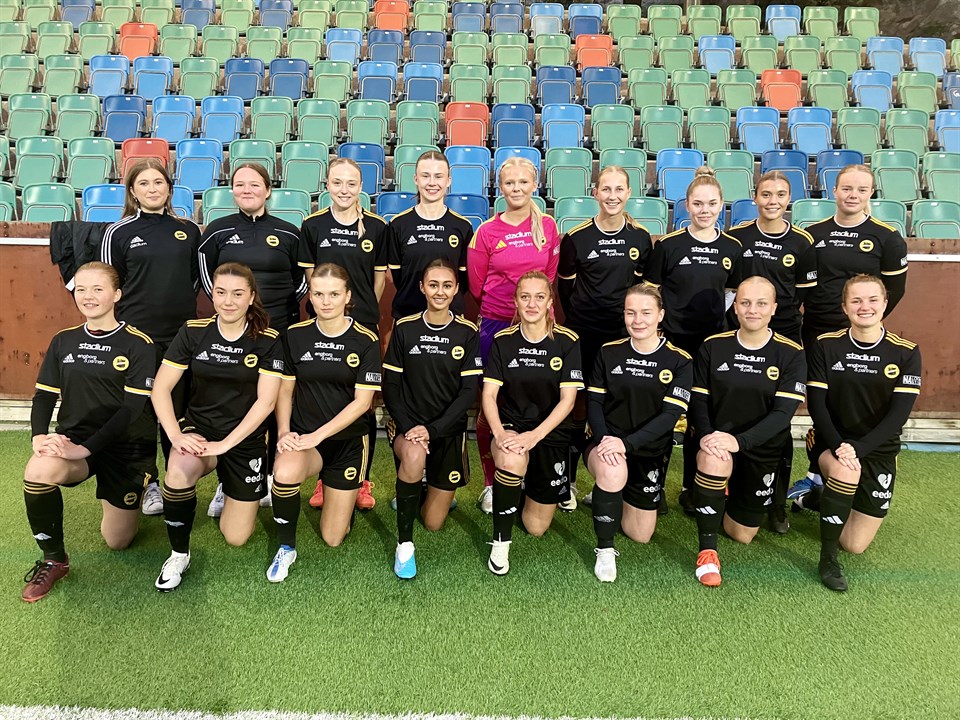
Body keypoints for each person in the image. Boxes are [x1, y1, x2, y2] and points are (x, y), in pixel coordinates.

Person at [22, 262, 156, 602]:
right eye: (81, 289)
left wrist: (85, 450)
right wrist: (39, 437)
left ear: (117, 294)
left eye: (97, 289)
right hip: (76, 441)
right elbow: (44, 395)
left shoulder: (138, 344)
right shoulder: (63, 340)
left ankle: (142, 483)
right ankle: (54, 560)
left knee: (117, 541)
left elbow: (131, 410)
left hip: (126, 448)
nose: (88, 296)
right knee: (38, 469)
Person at [152, 263, 285, 591]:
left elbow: (266, 402)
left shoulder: (267, 340)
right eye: (221, 292)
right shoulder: (193, 331)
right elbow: (161, 389)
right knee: (177, 471)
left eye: (238, 294)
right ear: (212, 295)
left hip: (245, 438)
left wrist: (225, 445)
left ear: (251, 297)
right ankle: (178, 555)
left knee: (236, 537)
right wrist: (175, 435)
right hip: (200, 430)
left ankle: (227, 483)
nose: (228, 301)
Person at [790, 164, 909, 501]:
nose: (853, 195)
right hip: (817, 333)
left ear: (871, 193)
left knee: (852, 405)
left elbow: (895, 291)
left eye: (861, 189)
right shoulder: (813, 234)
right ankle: (816, 476)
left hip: (859, 337)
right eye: (846, 188)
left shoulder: (887, 238)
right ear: (834, 191)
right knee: (821, 405)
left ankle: (859, 469)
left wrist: (863, 325)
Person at [198, 163, 306, 516]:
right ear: (231, 190)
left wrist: (274, 313)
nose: (247, 190)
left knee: (276, 406)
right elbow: (207, 280)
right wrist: (237, 315)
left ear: (268, 190)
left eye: (255, 184)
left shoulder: (289, 233)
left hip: (280, 332)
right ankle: (226, 481)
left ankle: (272, 475)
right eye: (240, 184)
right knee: (235, 403)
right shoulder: (217, 231)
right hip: (236, 333)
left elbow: (301, 282)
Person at [265, 264, 382, 582]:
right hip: (306, 440)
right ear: (311, 297)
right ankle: (286, 548)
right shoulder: (294, 335)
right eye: (318, 294)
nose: (326, 301)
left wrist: (318, 435)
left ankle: (344, 499)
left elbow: (363, 403)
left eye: (333, 294)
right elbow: (285, 390)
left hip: (347, 443)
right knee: (284, 471)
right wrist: (285, 431)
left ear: (348, 296)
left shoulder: (366, 339)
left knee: (333, 537)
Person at [688, 277, 806, 587]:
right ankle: (708, 551)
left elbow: (782, 415)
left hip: (760, 449)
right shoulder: (713, 345)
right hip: (718, 443)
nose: (753, 310)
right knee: (713, 460)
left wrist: (739, 441)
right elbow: (698, 401)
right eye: (745, 303)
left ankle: (720, 493)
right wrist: (707, 436)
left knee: (741, 534)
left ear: (774, 308)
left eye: (761, 303)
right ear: (736, 308)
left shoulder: (791, 353)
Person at [805, 274, 921, 591]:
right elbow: (817, 406)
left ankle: (823, 497)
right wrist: (841, 447)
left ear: (885, 303)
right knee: (846, 472)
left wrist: (860, 448)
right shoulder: (826, 345)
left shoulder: (906, 352)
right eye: (855, 300)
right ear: (845, 307)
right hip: (832, 443)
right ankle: (828, 559)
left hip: (877, 450)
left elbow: (898, 417)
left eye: (872, 300)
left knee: (855, 544)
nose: (864, 306)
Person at [100, 158, 202, 517]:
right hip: (137, 339)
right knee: (140, 413)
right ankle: (149, 483)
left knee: (176, 410)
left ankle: (177, 478)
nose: (152, 189)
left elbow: (194, 280)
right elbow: (110, 285)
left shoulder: (188, 230)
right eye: (143, 183)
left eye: (158, 182)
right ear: (132, 191)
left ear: (169, 188)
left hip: (179, 337)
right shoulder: (118, 232)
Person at [643, 167, 743, 513]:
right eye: (698, 203)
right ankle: (653, 487)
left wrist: (718, 326)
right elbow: (652, 294)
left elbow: (732, 293)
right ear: (686, 205)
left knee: (702, 418)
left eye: (712, 203)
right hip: (673, 343)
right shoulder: (668, 245)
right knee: (664, 415)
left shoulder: (732, 247)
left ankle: (692, 487)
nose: (705, 210)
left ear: (722, 205)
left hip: (711, 347)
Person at [467, 157, 561, 515]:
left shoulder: (547, 226)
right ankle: (492, 483)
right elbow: (476, 286)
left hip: (539, 326)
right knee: (491, 405)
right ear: (500, 187)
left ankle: (539, 477)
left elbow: (549, 279)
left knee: (542, 401)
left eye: (523, 182)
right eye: (509, 183)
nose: (517, 188)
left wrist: (534, 312)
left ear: (534, 185)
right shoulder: (486, 232)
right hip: (495, 326)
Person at [727, 171, 817, 533]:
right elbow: (730, 289)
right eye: (766, 194)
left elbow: (803, 293)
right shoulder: (738, 237)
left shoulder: (802, 241)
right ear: (755, 196)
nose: (773, 201)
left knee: (780, 421)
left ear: (789, 199)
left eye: (780, 194)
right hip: (742, 336)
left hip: (784, 338)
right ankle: (729, 490)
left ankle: (777, 502)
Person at [559, 165, 653, 510]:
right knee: (576, 407)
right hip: (583, 335)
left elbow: (642, 290)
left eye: (619, 189)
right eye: (606, 189)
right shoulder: (577, 238)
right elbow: (565, 291)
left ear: (629, 193)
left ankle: (608, 482)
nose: (612, 196)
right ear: (595, 192)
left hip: (621, 338)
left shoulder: (640, 238)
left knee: (614, 408)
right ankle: (566, 482)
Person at [382, 259, 482, 578]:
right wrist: (411, 428)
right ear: (422, 288)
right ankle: (404, 545)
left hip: (446, 430)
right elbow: (391, 386)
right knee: (413, 455)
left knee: (433, 522)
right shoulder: (405, 327)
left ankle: (420, 491)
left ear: (456, 290)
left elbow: (469, 392)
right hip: (409, 428)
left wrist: (433, 429)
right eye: (433, 285)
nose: (440, 292)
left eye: (447, 285)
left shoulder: (467, 332)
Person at [585, 285, 691, 582]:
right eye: (630, 312)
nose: (638, 320)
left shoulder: (680, 360)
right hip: (606, 444)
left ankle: (611, 494)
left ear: (661, 315)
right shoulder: (609, 351)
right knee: (612, 470)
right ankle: (605, 549)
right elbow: (594, 403)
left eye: (646, 312)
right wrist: (606, 441)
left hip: (647, 452)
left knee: (640, 534)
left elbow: (670, 417)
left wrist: (626, 444)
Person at [300, 158, 388, 511]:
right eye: (337, 182)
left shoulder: (377, 228)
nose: (344, 189)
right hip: (321, 325)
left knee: (363, 403)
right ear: (327, 184)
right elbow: (311, 278)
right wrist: (329, 310)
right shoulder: (313, 225)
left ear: (361, 187)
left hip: (362, 327)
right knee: (323, 399)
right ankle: (325, 478)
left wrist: (359, 312)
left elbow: (378, 281)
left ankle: (362, 480)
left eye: (351, 183)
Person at [482, 272, 582, 575]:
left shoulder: (567, 341)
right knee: (511, 459)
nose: (532, 304)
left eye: (539, 297)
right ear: (515, 301)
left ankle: (521, 487)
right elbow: (489, 395)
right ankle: (501, 542)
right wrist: (500, 433)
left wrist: (534, 436)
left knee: (536, 527)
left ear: (550, 302)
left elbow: (568, 401)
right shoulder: (503, 341)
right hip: (513, 427)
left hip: (549, 432)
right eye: (525, 297)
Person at [386, 150, 474, 320]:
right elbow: (397, 277)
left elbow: (463, 279)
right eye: (425, 176)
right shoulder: (398, 225)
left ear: (448, 180)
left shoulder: (462, 226)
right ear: (416, 179)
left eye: (438, 176)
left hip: (450, 317)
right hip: (408, 315)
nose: (432, 183)